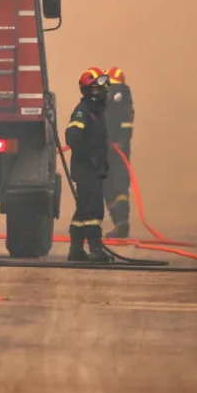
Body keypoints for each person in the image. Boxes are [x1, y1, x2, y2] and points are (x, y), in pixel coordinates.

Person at [65, 67, 111, 262]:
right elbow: (72, 137)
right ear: (87, 91)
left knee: (83, 210)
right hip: (87, 170)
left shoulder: (96, 113)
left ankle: (75, 250)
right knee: (93, 210)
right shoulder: (83, 112)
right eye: (96, 89)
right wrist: (90, 159)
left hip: (93, 169)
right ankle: (95, 249)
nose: (101, 93)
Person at [103, 65, 135, 239]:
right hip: (104, 151)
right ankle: (119, 223)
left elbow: (126, 124)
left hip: (119, 151)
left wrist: (120, 142)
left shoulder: (123, 105)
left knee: (120, 184)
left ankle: (122, 222)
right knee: (107, 186)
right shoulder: (101, 103)